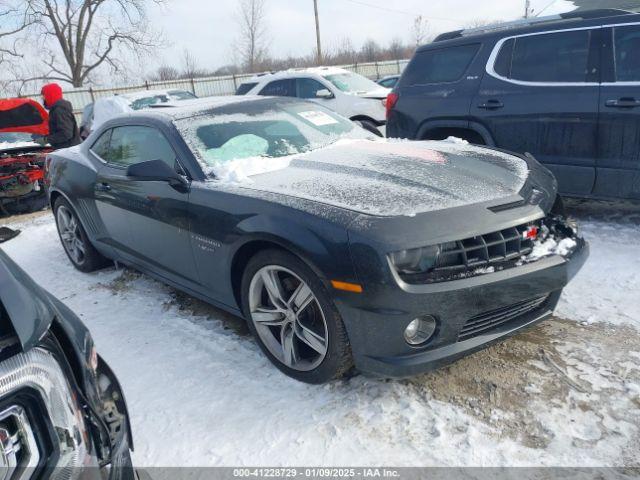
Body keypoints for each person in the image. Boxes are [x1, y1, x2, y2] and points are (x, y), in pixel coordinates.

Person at [40, 83, 81, 149]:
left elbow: (66, 133)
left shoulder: (60, 110)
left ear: (51, 95)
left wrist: (46, 140)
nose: (42, 98)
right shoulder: (56, 109)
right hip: (66, 149)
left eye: (44, 95)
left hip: (68, 150)